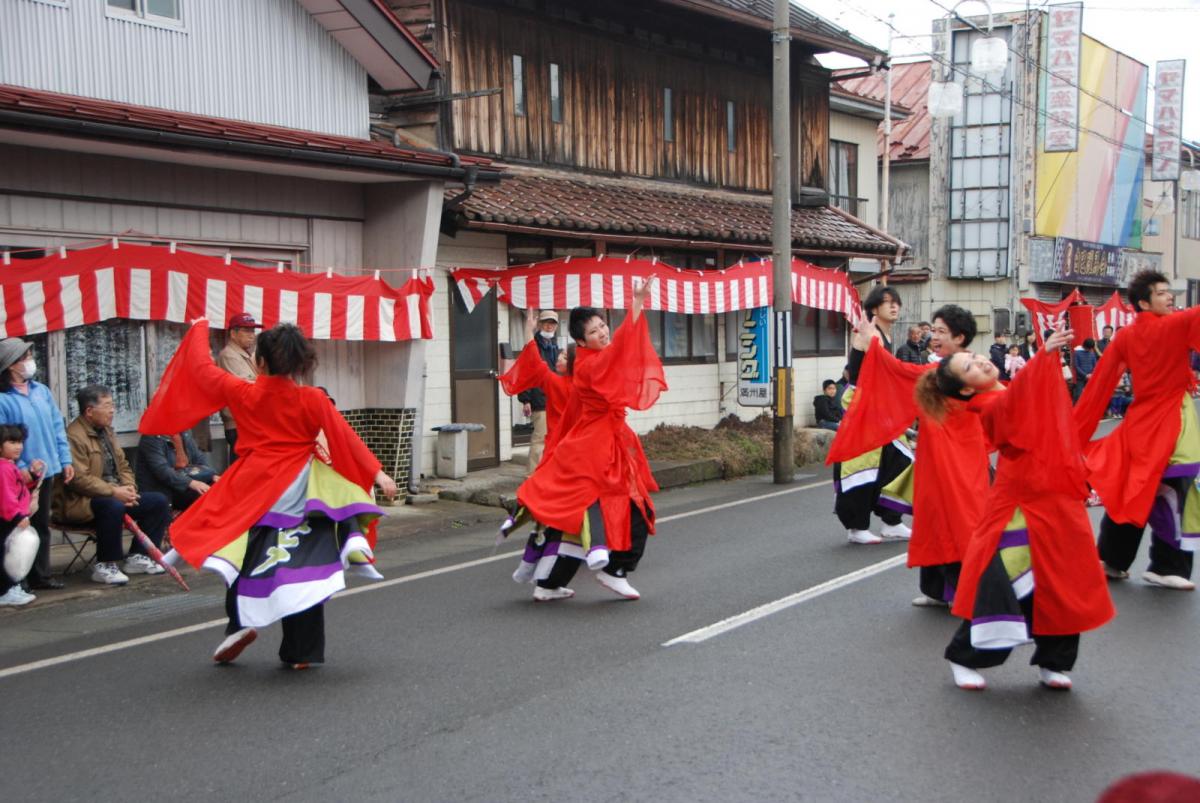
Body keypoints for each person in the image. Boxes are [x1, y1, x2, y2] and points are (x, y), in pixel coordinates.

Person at [139, 319, 398, 667]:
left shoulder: (244, 392)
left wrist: (199, 328)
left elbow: (201, 370)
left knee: (241, 555)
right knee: (304, 563)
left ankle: (239, 623)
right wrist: (376, 473)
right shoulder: (312, 399)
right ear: (302, 363)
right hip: (302, 491)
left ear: (260, 363)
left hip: (252, 488)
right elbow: (343, 436)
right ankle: (300, 651)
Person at [915, 326, 1114, 691]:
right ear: (965, 389)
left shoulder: (1007, 387)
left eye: (975, 358)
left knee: (1065, 581)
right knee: (1002, 579)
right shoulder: (987, 404)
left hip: (1055, 494)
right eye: (970, 368)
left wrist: (1048, 362)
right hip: (1020, 501)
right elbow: (1014, 409)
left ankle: (1054, 660)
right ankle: (965, 656)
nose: (979, 363)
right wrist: (1043, 358)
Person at [510, 277, 666, 602]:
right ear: (580, 343)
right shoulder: (590, 367)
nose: (602, 333)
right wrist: (636, 305)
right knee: (632, 510)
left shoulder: (585, 368)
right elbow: (621, 347)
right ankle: (614, 569)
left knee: (571, 521)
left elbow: (619, 352)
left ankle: (548, 582)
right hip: (593, 450)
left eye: (602, 326)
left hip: (586, 447)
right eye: (594, 332)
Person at [829, 304, 991, 606]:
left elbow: (898, 372)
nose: (934, 336)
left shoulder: (963, 369)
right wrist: (867, 345)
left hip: (961, 460)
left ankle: (967, 593)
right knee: (933, 521)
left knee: (958, 522)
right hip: (936, 456)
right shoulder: (939, 367)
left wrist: (870, 346)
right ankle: (938, 592)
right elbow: (895, 374)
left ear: (961, 337)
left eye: (942, 331)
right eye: (934, 329)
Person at [1075, 270, 1200, 591]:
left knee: (1129, 489)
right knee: (1176, 488)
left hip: (1139, 423)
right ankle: (1166, 565)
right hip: (1171, 419)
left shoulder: (1126, 337)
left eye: (1168, 291)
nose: (1169, 296)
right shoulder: (1175, 324)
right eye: (1161, 293)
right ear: (1143, 302)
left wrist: (1075, 436)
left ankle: (1112, 559)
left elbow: (1099, 387)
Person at [53, 386, 171, 585]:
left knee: (158, 501)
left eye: (113, 405)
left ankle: (138, 556)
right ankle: (106, 564)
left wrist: (128, 487)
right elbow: (79, 479)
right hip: (80, 501)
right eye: (107, 406)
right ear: (89, 411)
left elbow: (123, 464)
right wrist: (114, 491)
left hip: (114, 493)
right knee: (112, 506)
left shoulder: (107, 431)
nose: (112, 410)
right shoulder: (73, 436)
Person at [830, 285, 913, 546]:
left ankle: (892, 520)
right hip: (864, 410)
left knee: (900, 461)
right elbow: (856, 372)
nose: (894, 306)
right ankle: (856, 526)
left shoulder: (886, 335)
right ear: (874, 307)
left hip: (882, 409)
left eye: (896, 302)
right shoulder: (869, 332)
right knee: (861, 469)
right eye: (887, 302)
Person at [0, 337, 75, 591]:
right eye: (24, 357)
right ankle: (14, 579)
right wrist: (20, 464)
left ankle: (40, 576)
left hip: (46, 470)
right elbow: (3, 438)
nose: (29, 362)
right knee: (16, 525)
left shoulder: (41, 390)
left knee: (41, 523)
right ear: (11, 365)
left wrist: (65, 459)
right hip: (17, 473)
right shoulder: (3, 399)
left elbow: (57, 427)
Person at [0, 425, 44, 606]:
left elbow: (19, 490)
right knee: (7, 555)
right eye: (12, 442)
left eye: (19, 442)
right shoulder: (3, 469)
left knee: (11, 554)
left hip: (11, 518)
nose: (18, 446)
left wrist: (33, 476)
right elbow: (6, 497)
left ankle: (11, 587)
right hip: (7, 520)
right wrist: (18, 516)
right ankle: (5, 590)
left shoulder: (10, 466)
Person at [517, 310, 562, 475]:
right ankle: (532, 477)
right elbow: (525, 373)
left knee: (555, 440)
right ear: (539, 324)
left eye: (553, 323)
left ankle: (548, 475)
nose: (549, 327)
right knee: (540, 439)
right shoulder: (532, 346)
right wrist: (525, 399)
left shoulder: (556, 347)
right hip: (539, 400)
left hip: (556, 400)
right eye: (546, 323)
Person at [135, 430, 218, 512]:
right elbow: (162, 471)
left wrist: (212, 475)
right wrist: (191, 483)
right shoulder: (151, 438)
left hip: (186, 480)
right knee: (203, 496)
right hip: (165, 488)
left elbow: (199, 458)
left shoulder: (184, 433)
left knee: (218, 488)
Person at [217, 312, 261, 462]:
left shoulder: (245, 355)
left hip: (246, 422)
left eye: (253, 331)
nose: (252, 335)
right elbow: (245, 387)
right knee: (243, 467)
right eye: (247, 331)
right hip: (238, 423)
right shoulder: (229, 355)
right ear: (233, 333)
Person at [1071, 338, 1099, 403]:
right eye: (1088, 348)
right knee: (1078, 395)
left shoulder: (1092, 353)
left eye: (1090, 349)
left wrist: (1092, 374)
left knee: (1090, 394)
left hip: (1090, 377)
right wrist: (1085, 375)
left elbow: (1095, 365)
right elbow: (1076, 366)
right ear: (1084, 346)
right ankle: (1075, 408)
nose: (1089, 350)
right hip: (1080, 378)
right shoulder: (1077, 353)